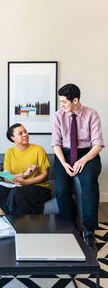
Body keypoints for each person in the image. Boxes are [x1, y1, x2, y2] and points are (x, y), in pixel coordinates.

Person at [52, 83, 104, 252]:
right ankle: (70, 229)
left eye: (64, 102)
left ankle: (89, 231)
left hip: (88, 154)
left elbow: (98, 144)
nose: (62, 105)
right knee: (61, 190)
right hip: (64, 154)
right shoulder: (58, 116)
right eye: (60, 102)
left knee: (89, 184)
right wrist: (64, 163)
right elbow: (56, 143)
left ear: (75, 100)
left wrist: (83, 160)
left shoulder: (92, 114)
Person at [0, 123, 51, 215]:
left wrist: (26, 182)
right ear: (13, 138)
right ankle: (4, 222)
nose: (25, 135)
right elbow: (7, 178)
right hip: (17, 186)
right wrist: (25, 174)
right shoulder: (9, 152)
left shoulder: (38, 149)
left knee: (17, 192)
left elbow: (45, 175)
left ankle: (19, 226)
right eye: (20, 133)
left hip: (39, 188)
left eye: (25, 131)